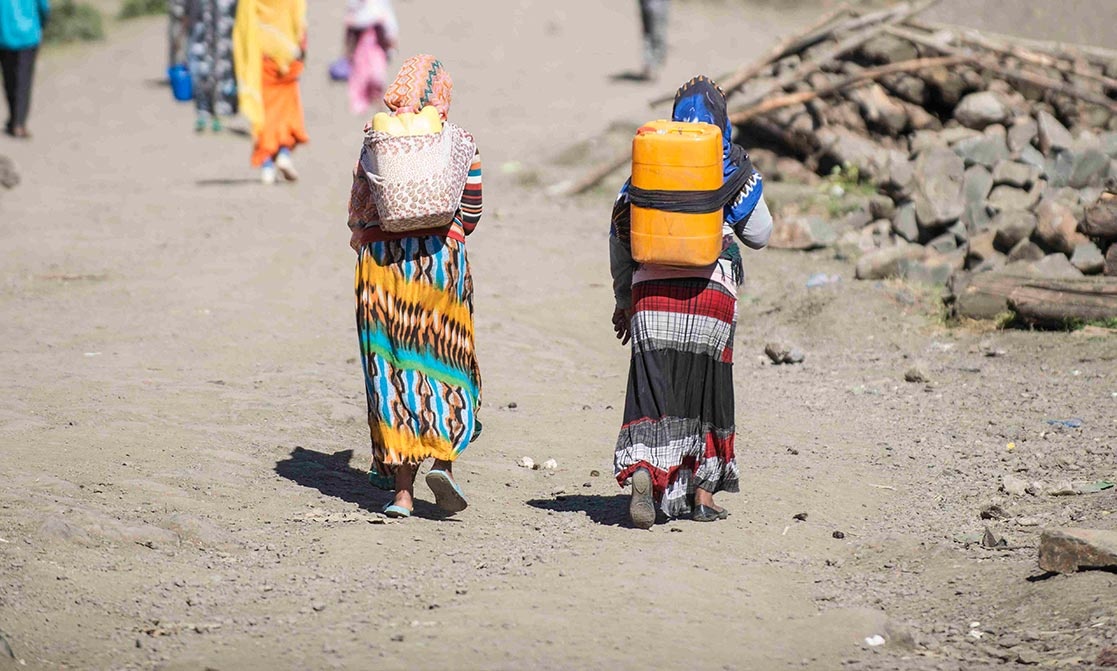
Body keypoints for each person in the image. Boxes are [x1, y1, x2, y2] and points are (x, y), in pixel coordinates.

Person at [609, 76, 772, 528]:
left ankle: (645, 470)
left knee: (652, 387)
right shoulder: (730, 163)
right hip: (711, 294)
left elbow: (620, 233)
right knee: (708, 391)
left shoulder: (649, 162)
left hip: (651, 294)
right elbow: (759, 234)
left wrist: (625, 298)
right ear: (723, 120)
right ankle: (702, 495)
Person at [347, 55, 483, 519]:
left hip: (384, 273)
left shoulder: (376, 137)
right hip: (441, 268)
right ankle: (443, 462)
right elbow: (474, 211)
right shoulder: (460, 141)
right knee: (446, 360)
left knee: (394, 370)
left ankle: (402, 493)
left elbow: (358, 211)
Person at [233, 0, 308, 184]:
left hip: (261, 54)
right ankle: (283, 153)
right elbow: (299, 18)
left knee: (264, 111)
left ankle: (267, 163)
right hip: (288, 52)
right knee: (288, 107)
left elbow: (243, 24)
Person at [0, 0, 49, 139]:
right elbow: (43, 7)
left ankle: (13, 118)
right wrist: (43, 24)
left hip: (4, 35)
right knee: (23, 80)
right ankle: (19, 123)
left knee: (9, 79)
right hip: (28, 35)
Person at [187, 0, 238, 133]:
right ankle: (203, 109)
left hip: (225, 18)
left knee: (223, 66)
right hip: (202, 18)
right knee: (201, 65)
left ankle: (220, 111)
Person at [343, 0, 398, 116]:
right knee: (362, 77)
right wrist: (348, 50)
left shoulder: (379, 5)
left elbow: (388, 23)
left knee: (377, 76)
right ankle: (368, 105)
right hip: (362, 49)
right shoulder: (356, 5)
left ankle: (379, 103)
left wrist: (391, 45)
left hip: (376, 47)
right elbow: (351, 26)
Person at [637, 0, 668, 81]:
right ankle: (650, 65)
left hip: (659, 8)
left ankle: (654, 65)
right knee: (648, 35)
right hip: (646, 6)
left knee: (658, 35)